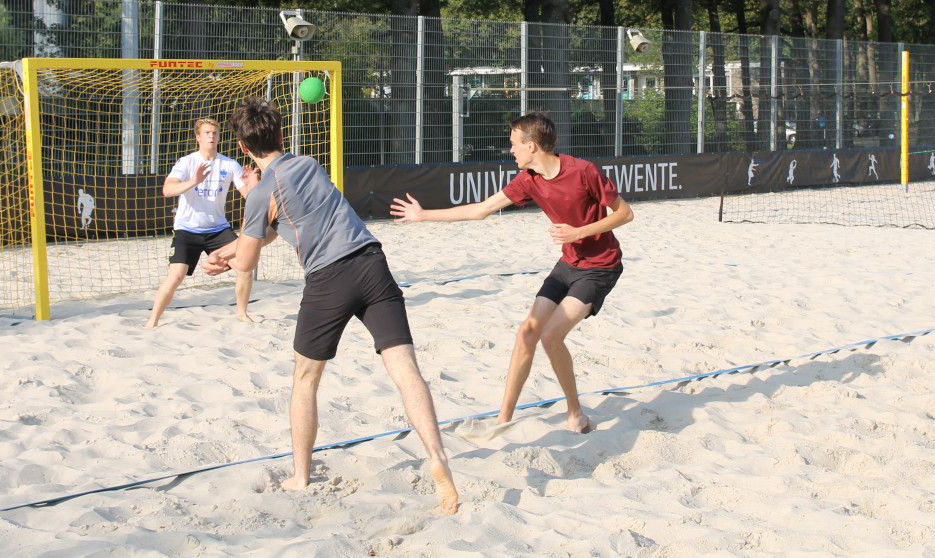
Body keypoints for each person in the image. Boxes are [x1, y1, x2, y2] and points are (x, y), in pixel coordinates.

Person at [202, 97, 458, 514]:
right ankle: (437, 457)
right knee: (406, 370)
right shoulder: (308, 165)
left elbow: (251, 257)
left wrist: (231, 252)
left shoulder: (259, 192)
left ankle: (301, 477)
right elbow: (280, 226)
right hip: (372, 262)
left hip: (328, 279)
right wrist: (232, 247)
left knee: (305, 380)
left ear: (244, 150)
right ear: (282, 135)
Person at [390, 111, 633, 435]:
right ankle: (503, 419)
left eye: (514, 144)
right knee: (527, 333)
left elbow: (625, 213)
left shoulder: (582, 171)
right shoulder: (528, 180)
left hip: (600, 267)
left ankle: (576, 413)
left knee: (550, 335)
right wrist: (423, 215)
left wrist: (579, 232)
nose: (511, 150)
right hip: (567, 264)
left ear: (532, 146)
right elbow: (481, 210)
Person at [146, 117, 257, 328]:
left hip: (218, 229)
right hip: (187, 229)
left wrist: (252, 184)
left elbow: (249, 198)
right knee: (176, 276)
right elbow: (167, 190)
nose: (211, 136)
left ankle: (242, 314)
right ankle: (153, 320)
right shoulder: (187, 162)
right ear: (198, 137)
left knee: (245, 268)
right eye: (207, 133)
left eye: (215, 133)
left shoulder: (229, 164)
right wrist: (194, 181)